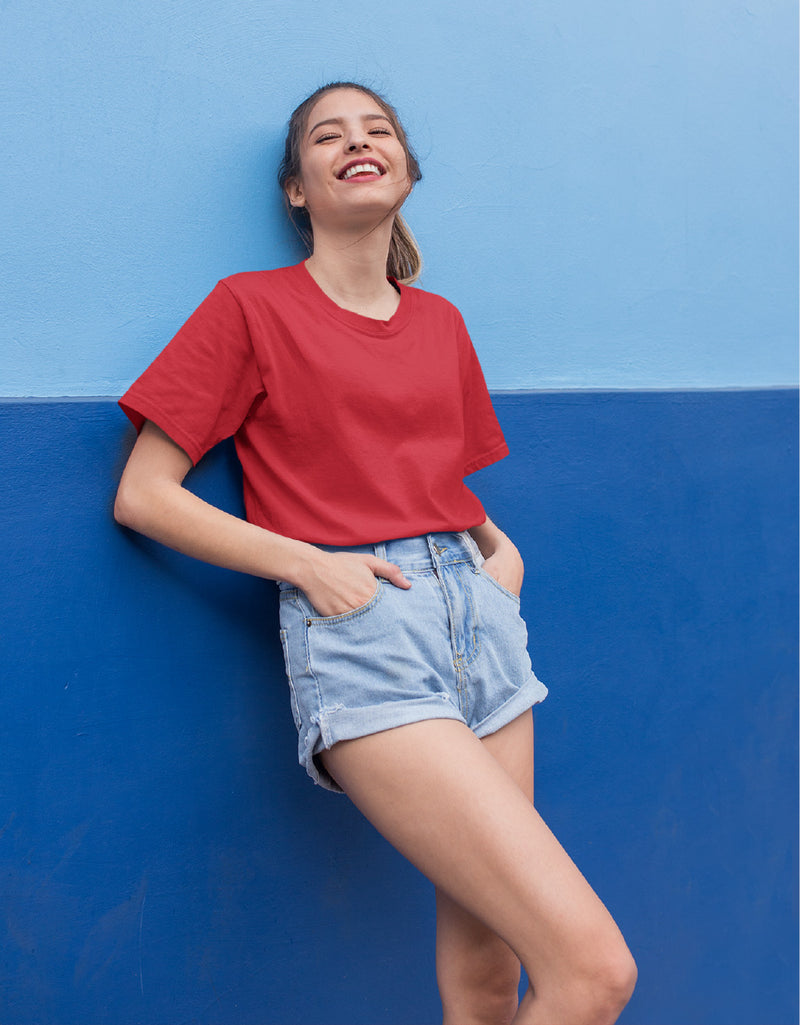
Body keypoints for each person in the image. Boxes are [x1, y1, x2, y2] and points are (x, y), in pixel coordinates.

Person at [114, 81, 637, 1025]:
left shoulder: (441, 322)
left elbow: (441, 483)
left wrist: (498, 556)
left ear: (407, 169)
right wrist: (307, 563)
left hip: (482, 626)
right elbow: (143, 496)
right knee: (595, 972)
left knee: (488, 974)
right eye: (328, 136)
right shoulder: (250, 309)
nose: (357, 142)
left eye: (378, 130)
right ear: (296, 190)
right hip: (367, 632)